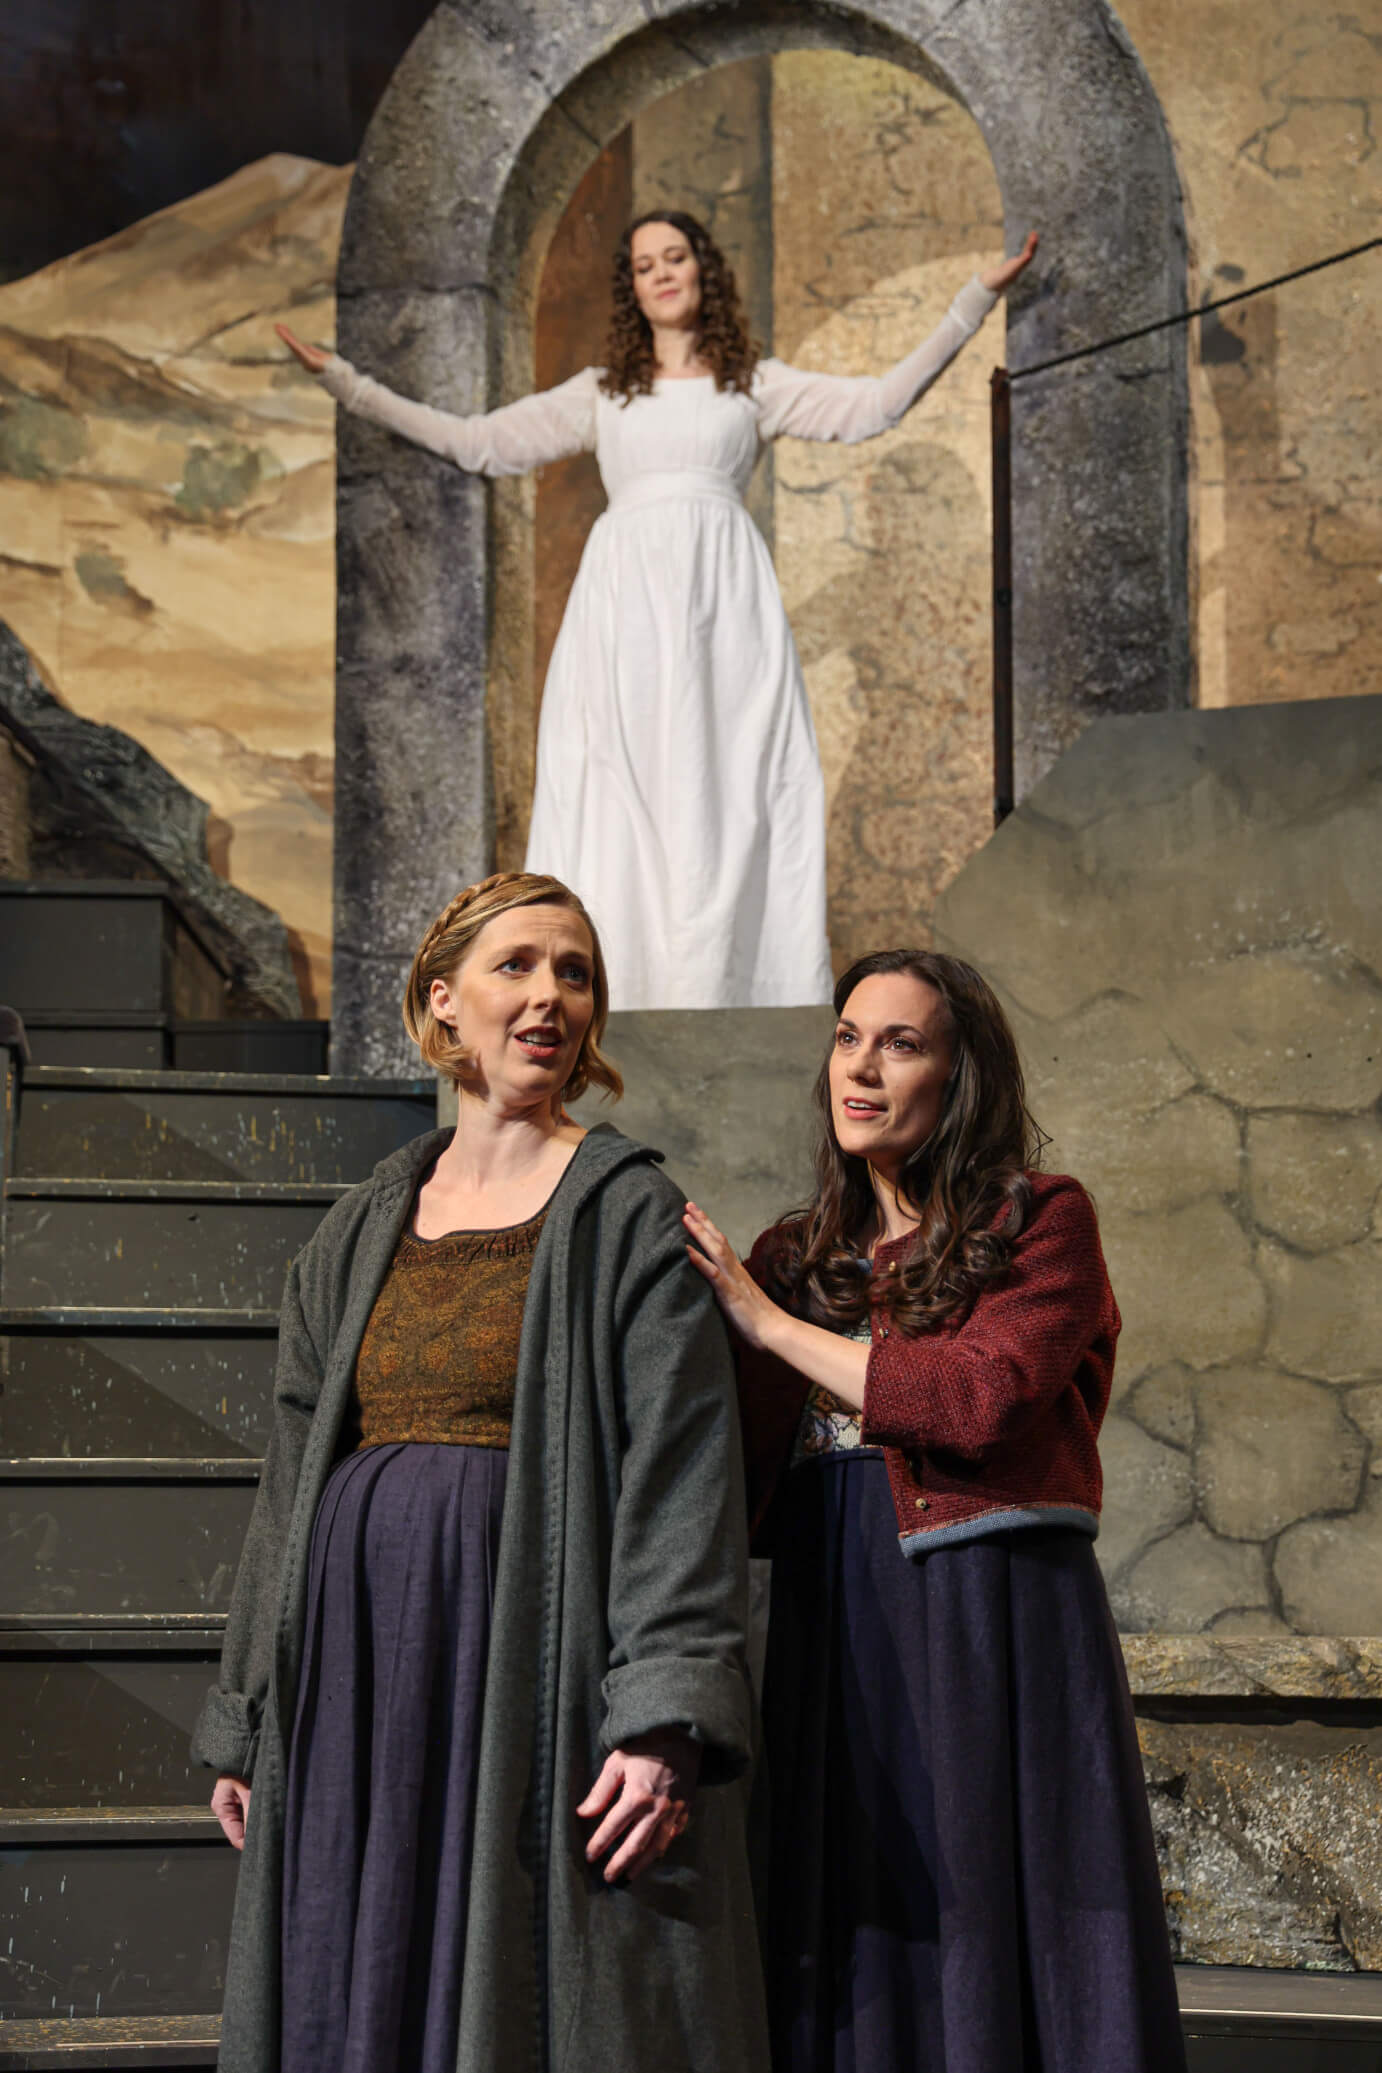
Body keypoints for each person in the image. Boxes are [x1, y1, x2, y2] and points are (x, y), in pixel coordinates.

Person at [193, 871, 768, 2073]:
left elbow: (682, 1478)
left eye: (574, 972)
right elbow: (290, 1481)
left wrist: (662, 1712)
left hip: (526, 1662)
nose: (550, 994)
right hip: (358, 1674)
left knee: (523, 1984)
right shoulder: (359, 1229)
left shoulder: (625, 1217)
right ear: (442, 999)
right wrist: (247, 1713)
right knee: (361, 1969)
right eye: (517, 965)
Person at [275, 214, 1037, 1014]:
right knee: (614, 794)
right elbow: (477, 443)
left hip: (726, 619)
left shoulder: (752, 384)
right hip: (623, 618)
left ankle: (726, 998)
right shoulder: (605, 392)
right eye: (645, 265)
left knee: (726, 791)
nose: (663, 273)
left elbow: (876, 404)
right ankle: (612, 991)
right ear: (631, 288)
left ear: (703, 269)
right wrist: (347, 383)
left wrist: (972, 300)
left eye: (675, 257)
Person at [683, 949, 1187, 2073]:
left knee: (998, 1909)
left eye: (900, 1044)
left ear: (959, 1076)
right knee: (852, 1920)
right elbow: (711, 1449)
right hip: (831, 1612)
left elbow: (980, 1397)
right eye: (847, 1038)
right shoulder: (791, 1260)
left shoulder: (1041, 1222)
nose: (860, 1069)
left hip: (987, 1612)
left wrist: (769, 1327)